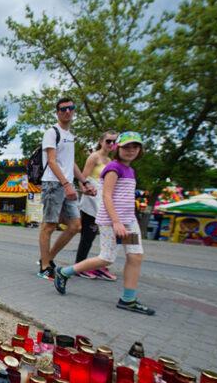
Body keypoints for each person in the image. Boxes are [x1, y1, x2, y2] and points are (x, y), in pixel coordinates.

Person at [53, 131, 155, 315]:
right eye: (126, 147)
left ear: (140, 150)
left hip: (128, 222)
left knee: (135, 256)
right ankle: (64, 272)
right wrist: (116, 222)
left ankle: (128, 299)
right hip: (111, 222)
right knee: (107, 257)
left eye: (135, 147)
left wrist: (125, 221)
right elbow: (106, 196)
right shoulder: (114, 168)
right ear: (118, 148)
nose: (131, 150)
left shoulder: (130, 170)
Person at [37, 97, 97, 280]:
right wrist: (66, 183)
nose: (67, 112)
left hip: (67, 184)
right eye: (63, 109)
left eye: (70, 108)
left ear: (74, 111)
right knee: (49, 225)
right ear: (57, 112)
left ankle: (47, 258)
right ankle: (45, 267)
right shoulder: (52, 132)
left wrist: (84, 182)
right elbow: (52, 161)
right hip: (53, 184)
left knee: (75, 226)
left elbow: (70, 163)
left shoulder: (70, 136)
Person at [74, 131, 118, 281]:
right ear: (101, 141)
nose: (111, 144)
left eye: (114, 142)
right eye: (108, 141)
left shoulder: (110, 160)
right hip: (92, 200)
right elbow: (82, 177)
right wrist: (85, 189)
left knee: (108, 235)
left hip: (103, 200)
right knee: (88, 235)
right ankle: (79, 266)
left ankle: (100, 265)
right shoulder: (94, 157)